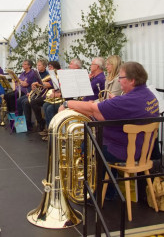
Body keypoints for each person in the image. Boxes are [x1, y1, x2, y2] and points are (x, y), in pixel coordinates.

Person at [59, 61, 159, 198]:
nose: (118, 80)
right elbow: (121, 110)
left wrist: (67, 103)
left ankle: (102, 192)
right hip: (144, 151)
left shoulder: (124, 102)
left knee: (85, 146)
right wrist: (114, 102)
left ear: (132, 80)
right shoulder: (149, 96)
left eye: (121, 78)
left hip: (127, 152)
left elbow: (93, 110)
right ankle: (109, 189)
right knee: (97, 141)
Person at [40, 58, 82, 139]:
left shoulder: (78, 76)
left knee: (50, 108)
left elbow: (74, 92)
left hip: (72, 101)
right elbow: (63, 87)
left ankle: (55, 133)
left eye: (71, 64)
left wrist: (59, 94)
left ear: (76, 66)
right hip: (65, 98)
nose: (69, 65)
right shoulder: (69, 74)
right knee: (46, 105)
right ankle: (50, 130)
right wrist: (56, 91)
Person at [17, 59, 52, 132]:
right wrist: (31, 90)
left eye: (39, 65)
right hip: (36, 93)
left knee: (26, 102)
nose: (37, 67)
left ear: (44, 66)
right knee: (19, 100)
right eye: (37, 65)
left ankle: (32, 123)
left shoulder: (48, 75)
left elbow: (45, 86)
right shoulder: (36, 74)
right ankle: (22, 122)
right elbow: (33, 84)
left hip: (43, 94)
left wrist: (37, 85)